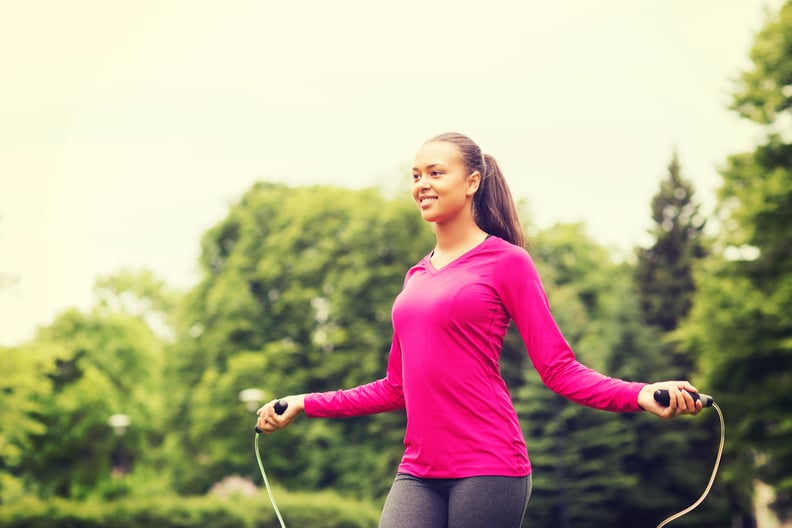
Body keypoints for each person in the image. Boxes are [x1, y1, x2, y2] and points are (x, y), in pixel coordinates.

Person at [256, 132, 703, 528]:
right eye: (415, 175)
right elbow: (396, 388)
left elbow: (558, 369)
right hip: (418, 471)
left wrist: (639, 393)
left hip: (489, 466)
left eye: (435, 172)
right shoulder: (415, 277)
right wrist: (304, 403)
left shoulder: (507, 262)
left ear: (472, 182)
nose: (422, 185)